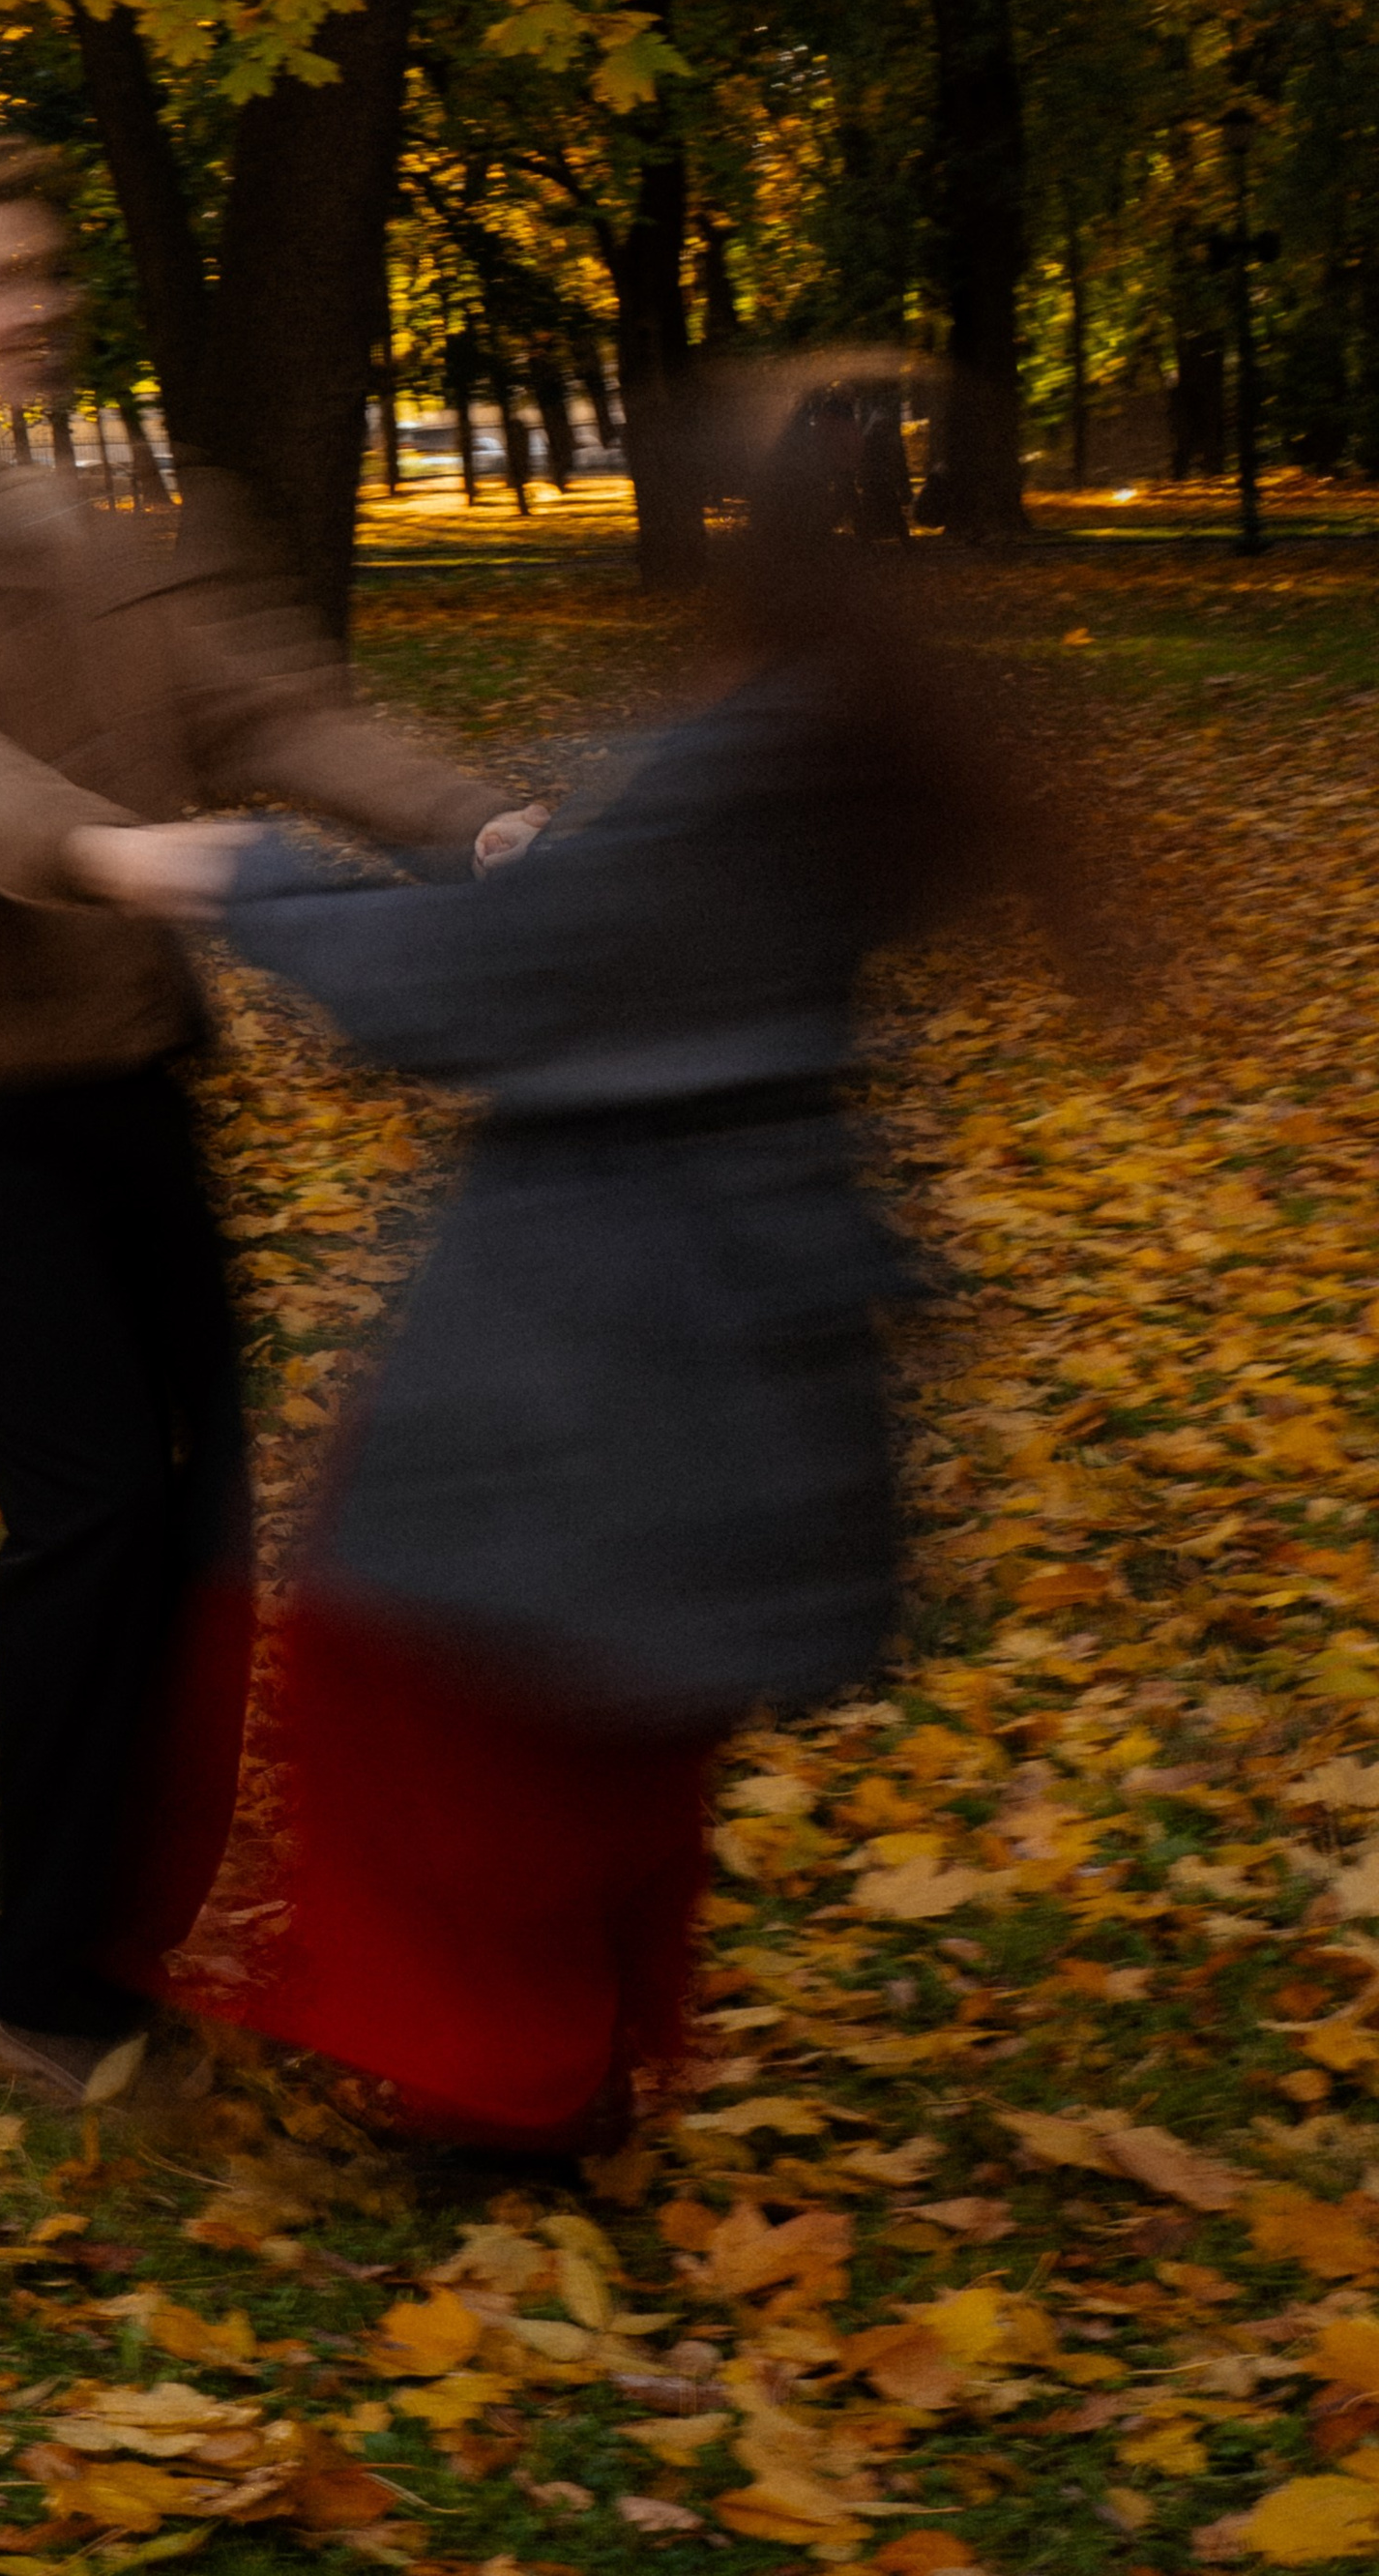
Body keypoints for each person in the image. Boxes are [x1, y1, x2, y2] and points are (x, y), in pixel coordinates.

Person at [104, 361, 1058, 2156]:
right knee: (610, 1713)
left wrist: (244, 878)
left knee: (447, 1698)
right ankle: (570, 2049)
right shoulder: (837, 731)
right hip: (740, 1303)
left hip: (607, 1319)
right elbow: (608, 936)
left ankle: (498, 2083)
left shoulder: (746, 757)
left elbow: (489, 991)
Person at [0, 133, 543, 2106]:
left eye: (33, 277)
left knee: (204, 1515)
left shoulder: (117, 522)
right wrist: (107, 847)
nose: (17, 313)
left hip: (140, 1066)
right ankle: (50, 2001)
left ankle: (150, 1925)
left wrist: (480, 823)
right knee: (89, 1515)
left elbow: (278, 714)